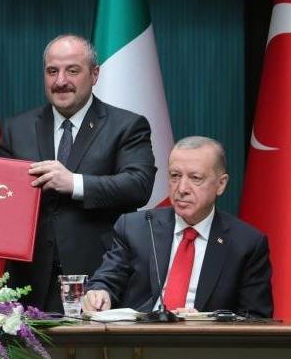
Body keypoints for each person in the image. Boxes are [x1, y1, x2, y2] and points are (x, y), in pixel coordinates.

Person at [0, 34, 156, 311]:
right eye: (52, 71)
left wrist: (74, 183)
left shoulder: (127, 126)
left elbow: (138, 185)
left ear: (95, 75)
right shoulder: (17, 128)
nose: (61, 81)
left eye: (72, 70)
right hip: (30, 281)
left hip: (100, 278)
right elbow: (2, 196)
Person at [83, 136, 273, 318]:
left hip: (204, 339)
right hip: (140, 336)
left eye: (195, 178)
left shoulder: (246, 244)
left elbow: (256, 319)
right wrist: (100, 293)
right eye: (175, 176)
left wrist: (205, 321)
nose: (181, 189)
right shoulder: (136, 227)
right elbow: (107, 280)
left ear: (221, 184)